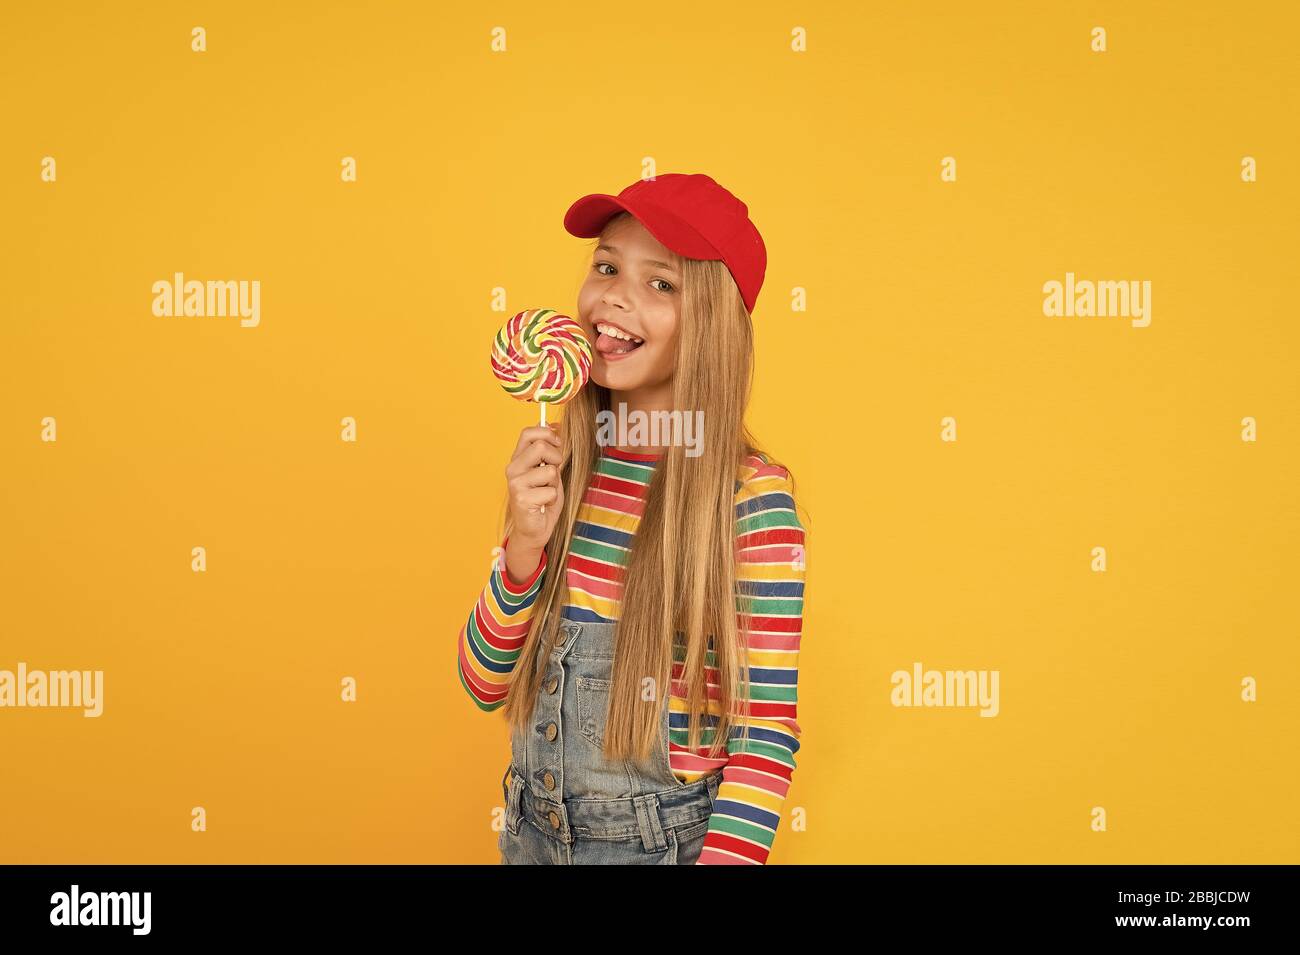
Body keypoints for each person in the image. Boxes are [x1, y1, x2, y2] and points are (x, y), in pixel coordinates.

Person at [457, 173, 808, 864]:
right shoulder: (564, 469)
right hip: (530, 838)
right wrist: (524, 548)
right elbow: (481, 681)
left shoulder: (747, 499)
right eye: (607, 266)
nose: (613, 295)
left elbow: (764, 738)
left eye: (660, 284)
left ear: (710, 322)